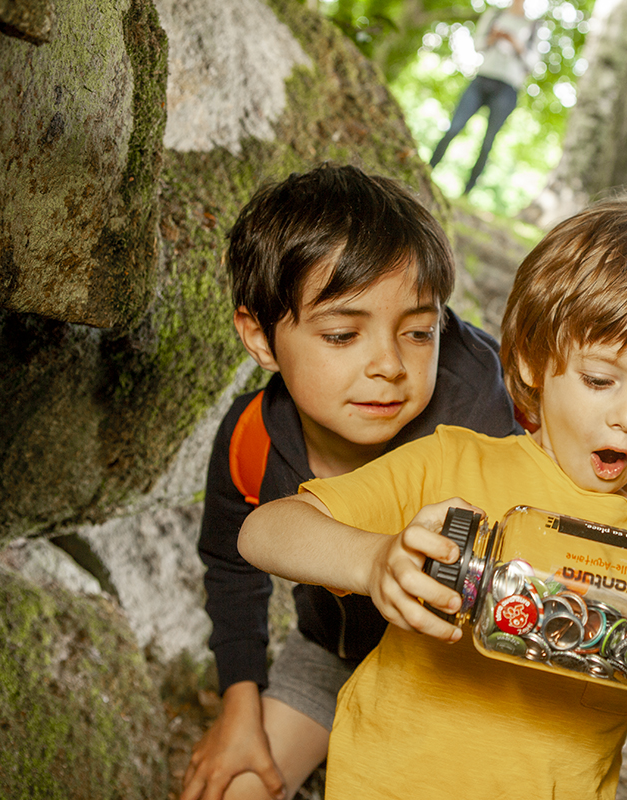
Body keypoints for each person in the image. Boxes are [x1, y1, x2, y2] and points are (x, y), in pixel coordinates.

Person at [237, 199, 627, 799]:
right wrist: (373, 560)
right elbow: (266, 532)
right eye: (599, 379)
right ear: (536, 360)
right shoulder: (453, 463)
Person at [183, 164, 519, 800]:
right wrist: (239, 707)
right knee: (233, 788)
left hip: (461, 682)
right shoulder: (252, 439)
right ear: (260, 337)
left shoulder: (482, 423)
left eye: (419, 332)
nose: (389, 364)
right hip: (332, 657)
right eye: (342, 334)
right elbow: (231, 567)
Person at [428, 0, 539, 195]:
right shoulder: (495, 14)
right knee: (454, 127)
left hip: (508, 87)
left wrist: (516, 44)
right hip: (482, 79)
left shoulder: (533, 25)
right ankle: (428, 170)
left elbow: (533, 62)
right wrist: (493, 38)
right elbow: (478, 44)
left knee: (488, 142)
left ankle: (467, 191)